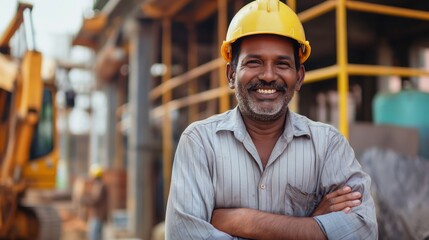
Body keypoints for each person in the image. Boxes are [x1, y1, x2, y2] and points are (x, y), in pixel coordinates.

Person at [165, 0, 377, 239]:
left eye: (282, 63)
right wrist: (311, 226)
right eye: (254, 62)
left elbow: (363, 230)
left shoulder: (328, 145)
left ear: (298, 78)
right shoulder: (200, 142)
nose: (268, 75)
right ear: (231, 74)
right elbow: (184, 235)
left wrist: (242, 221)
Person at [81, 164, 109, 240]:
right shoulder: (98, 185)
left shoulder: (100, 186)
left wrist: (84, 200)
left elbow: (95, 199)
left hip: (97, 215)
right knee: (97, 236)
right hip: (97, 215)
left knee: (94, 236)